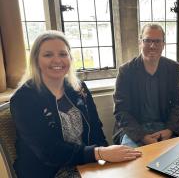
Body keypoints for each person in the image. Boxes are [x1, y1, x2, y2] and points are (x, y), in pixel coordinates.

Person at [10, 30, 141, 178]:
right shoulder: (24, 98)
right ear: (36, 60)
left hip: (87, 163)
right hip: (48, 171)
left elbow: (96, 129)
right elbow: (48, 151)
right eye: (48, 55)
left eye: (62, 54)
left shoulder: (79, 88)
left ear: (70, 58)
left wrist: (106, 164)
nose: (57, 60)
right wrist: (99, 153)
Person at [113, 23, 179, 147]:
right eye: (147, 41)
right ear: (140, 42)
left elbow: (177, 104)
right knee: (131, 164)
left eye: (157, 41)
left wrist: (169, 130)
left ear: (163, 44)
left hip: (163, 128)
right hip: (134, 130)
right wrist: (142, 137)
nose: (152, 46)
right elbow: (121, 111)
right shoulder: (126, 71)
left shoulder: (172, 68)